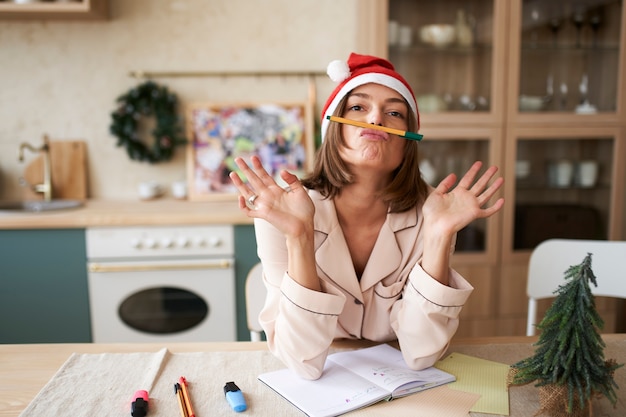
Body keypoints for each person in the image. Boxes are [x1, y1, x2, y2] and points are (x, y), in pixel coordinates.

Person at [229, 53, 504, 380]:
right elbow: (301, 362)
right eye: (358, 107)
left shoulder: (435, 211)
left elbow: (421, 354)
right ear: (334, 126)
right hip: (327, 372)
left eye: (394, 113)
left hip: (398, 374)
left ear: (407, 142)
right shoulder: (284, 211)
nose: (375, 120)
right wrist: (299, 236)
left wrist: (438, 235)